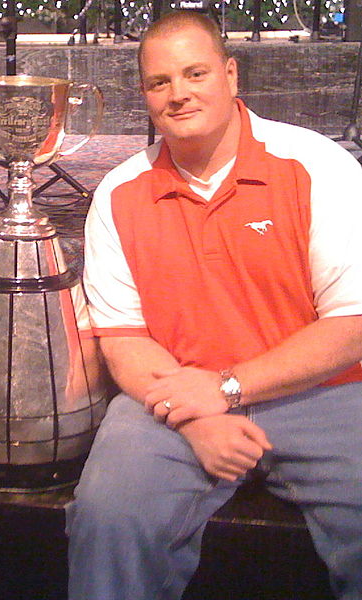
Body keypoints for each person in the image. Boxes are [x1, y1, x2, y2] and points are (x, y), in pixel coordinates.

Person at [66, 10, 362, 600]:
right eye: (159, 82)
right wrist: (196, 413)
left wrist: (227, 389)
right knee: (109, 518)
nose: (178, 94)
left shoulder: (317, 166)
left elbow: (353, 325)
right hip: (170, 396)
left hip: (323, 391)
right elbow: (123, 338)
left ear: (231, 74)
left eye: (195, 73)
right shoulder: (119, 193)